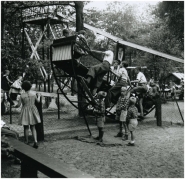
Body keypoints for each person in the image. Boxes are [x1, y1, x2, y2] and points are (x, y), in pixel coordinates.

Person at [12, 81, 41, 149]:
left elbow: (19, 105)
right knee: (33, 127)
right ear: (30, 86)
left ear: (23, 88)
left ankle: (26, 141)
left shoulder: (22, 95)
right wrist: (39, 96)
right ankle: (35, 141)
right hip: (33, 110)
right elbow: (38, 101)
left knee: (26, 127)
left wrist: (14, 106)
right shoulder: (34, 94)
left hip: (25, 111)